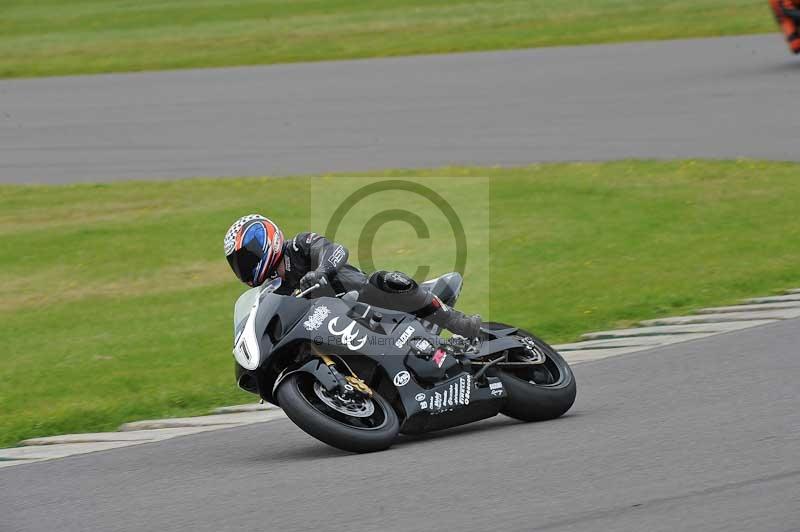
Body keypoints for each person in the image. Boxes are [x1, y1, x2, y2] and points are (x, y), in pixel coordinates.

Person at [223, 214, 482, 338]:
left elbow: (336, 251)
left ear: (264, 241)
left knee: (386, 279)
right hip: (337, 329)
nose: (244, 267)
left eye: (246, 258)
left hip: (367, 300)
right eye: (238, 264)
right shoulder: (272, 293)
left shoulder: (299, 246)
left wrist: (320, 272)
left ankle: (459, 323)